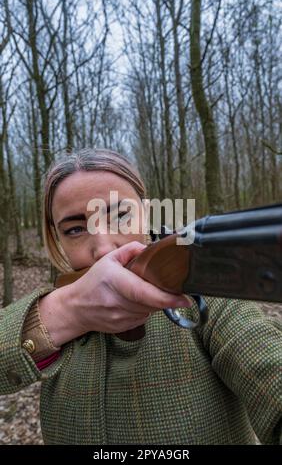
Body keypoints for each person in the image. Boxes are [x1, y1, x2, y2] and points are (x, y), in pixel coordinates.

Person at [0, 149, 281, 445]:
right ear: (57, 238)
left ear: (146, 212)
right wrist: (67, 313)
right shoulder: (54, 301)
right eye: (75, 229)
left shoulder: (208, 289)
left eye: (120, 215)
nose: (104, 248)